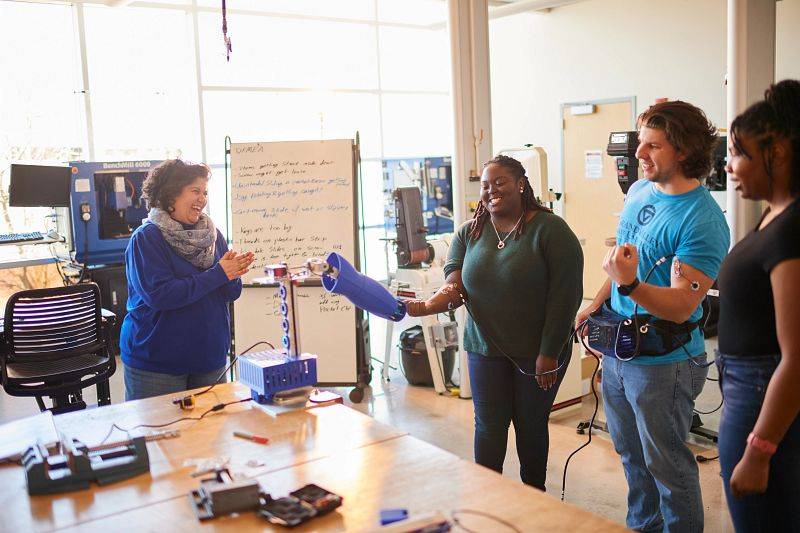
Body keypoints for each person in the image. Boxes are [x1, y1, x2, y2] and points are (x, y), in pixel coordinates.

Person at [576, 101, 729, 532]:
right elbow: (623, 266)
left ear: (682, 151)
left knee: (668, 467)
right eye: (640, 143)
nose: (639, 154)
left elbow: (683, 306)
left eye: (652, 146)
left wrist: (628, 287)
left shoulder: (702, 220)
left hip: (665, 363)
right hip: (620, 353)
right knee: (631, 458)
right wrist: (596, 304)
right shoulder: (640, 193)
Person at [406, 154, 583, 491]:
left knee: (530, 426)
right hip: (485, 349)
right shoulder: (469, 232)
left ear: (520, 184)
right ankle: (489, 496)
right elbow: (454, 288)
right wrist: (427, 305)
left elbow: (566, 296)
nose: (491, 190)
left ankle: (534, 496)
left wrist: (549, 351)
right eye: (486, 185)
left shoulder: (550, 230)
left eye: (500, 182)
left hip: (539, 352)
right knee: (489, 426)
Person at [716, 79, 800, 532]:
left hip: (760, 391)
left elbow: (797, 356)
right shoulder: (773, 214)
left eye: (738, 153)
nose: (728, 166)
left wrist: (758, 450)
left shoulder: (791, 229)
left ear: (779, 154)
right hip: (744, 383)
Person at [121, 159, 254, 401]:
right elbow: (161, 295)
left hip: (208, 360)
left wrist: (233, 274)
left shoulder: (213, 235)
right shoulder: (147, 238)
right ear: (171, 194)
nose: (202, 198)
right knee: (155, 437)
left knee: (209, 438)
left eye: (205, 192)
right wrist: (219, 273)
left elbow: (229, 294)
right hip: (157, 365)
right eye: (195, 191)